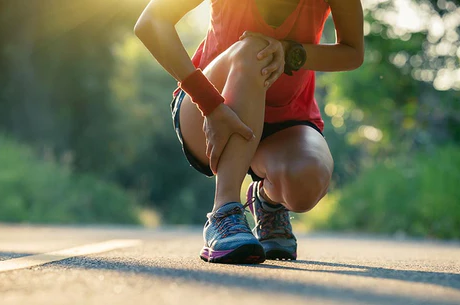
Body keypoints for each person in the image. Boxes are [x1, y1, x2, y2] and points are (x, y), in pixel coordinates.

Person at [134, 0, 363, 264]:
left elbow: (352, 52)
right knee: (256, 49)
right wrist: (210, 104)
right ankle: (224, 212)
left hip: (287, 118)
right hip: (210, 108)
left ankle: (267, 202)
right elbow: (151, 22)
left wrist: (290, 52)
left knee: (306, 181)